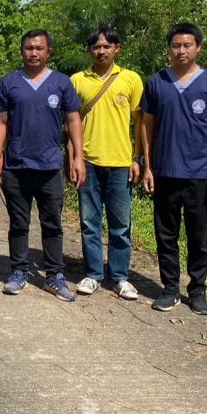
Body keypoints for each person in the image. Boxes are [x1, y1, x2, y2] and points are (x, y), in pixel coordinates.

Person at [141, 22, 207, 315]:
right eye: (176, 45)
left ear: (198, 48)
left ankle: (197, 291)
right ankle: (170, 289)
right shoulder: (156, 82)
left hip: (200, 174)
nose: (181, 50)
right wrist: (147, 166)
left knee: (198, 236)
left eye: (187, 45)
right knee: (165, 235)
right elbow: (146, 126)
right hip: (165, 171)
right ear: (169, 49)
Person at [0, 30, 85, 301]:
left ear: (48, 52)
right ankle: (18, 271)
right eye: (29, 48)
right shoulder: (9, 82)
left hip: (50, 166)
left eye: (39, 48)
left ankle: (54, 275)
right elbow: (0, 121)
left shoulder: (61, 82)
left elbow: (73, 120)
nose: (34, 53)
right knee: (19, 222)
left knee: (52, 223)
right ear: (22, 52)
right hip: (17, 166)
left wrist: (78, 157)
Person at [70, 28, 144, 300]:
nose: (101, 51)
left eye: (106, 46)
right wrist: (74, 159)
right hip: (88, 161)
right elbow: (71, 123)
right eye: (96, 46)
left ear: (117, 49)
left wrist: (138, 159)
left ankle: (120, 277)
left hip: (121, 162)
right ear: (89, 50)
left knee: (121, 225)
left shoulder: (131, 79)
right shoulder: (77, 80)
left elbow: (140, 122)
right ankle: (93, 274)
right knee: (89, 222)